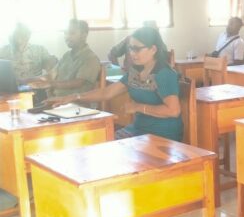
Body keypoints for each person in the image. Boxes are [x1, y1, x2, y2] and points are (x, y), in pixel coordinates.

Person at [49, 27, 183, 141]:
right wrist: (74, 97)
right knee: (100, 142)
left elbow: (173, 110)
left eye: (137, 49)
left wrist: (138, 107)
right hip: (138, 130)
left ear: (153, 49)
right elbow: (107, 92)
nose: (132, 53)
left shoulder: (164, 74)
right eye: (130, 48)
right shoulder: (135, 72)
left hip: (162, 136)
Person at [48, 19, 101, 97]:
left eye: (71, 33)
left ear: (84, 35)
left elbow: (78, 82)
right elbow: (52, 75)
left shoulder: (91, 58)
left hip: (76, 104)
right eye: (65, 33)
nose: (67, 37)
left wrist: (50, 84)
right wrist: (29, 81)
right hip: (57, 101)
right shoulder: (66, 55)